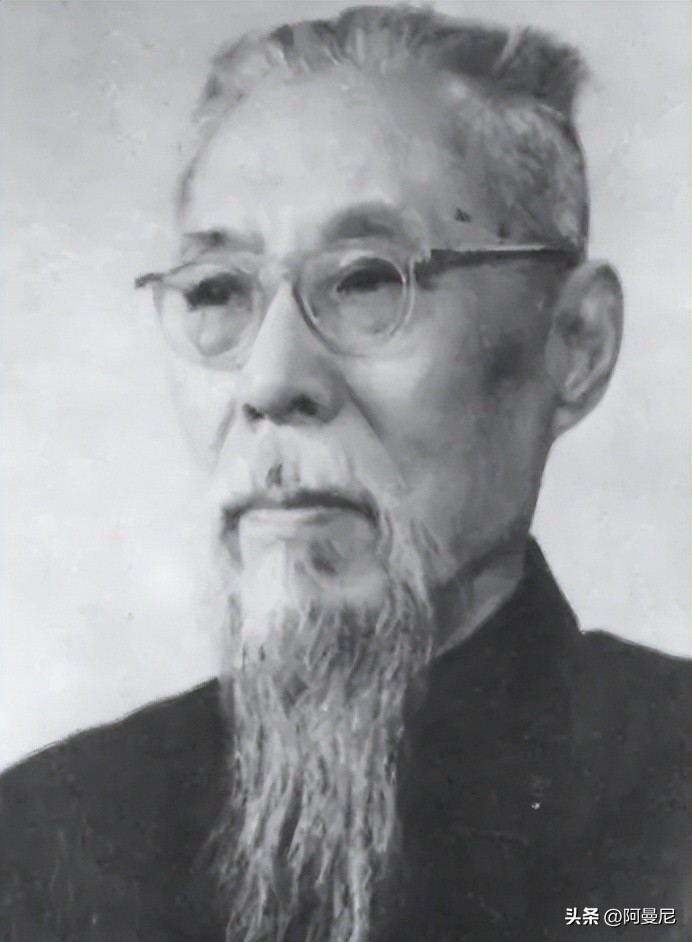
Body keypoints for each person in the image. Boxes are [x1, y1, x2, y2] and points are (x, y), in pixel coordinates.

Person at [1, 5, 689, 941]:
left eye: (367, 280)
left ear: (575, 342)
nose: (270, 382)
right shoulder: (42, 844)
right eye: (217, 291)